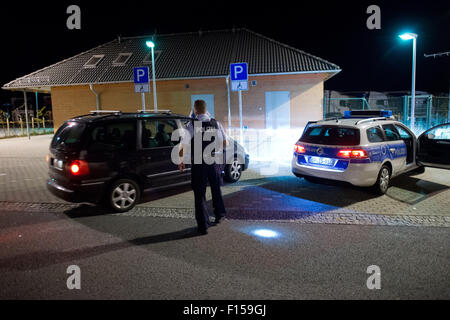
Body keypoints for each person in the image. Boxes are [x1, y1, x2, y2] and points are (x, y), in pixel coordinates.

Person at [178, 100, 228, 235]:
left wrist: (180, 160)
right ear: (206, 110)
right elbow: (225, 143)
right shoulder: (216, 123)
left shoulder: (191, 125)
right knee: (216, 188)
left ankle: (203, 225)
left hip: (199, 163)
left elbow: (183, 145)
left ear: (195, 110)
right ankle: (220, 215)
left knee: (199, 194)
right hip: (214, 161)